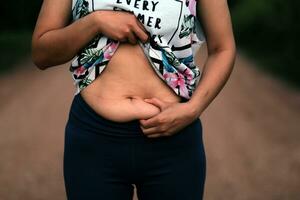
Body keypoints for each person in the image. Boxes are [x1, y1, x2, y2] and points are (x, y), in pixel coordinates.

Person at [31, 0, 236, 199]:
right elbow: (42, 53)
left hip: (174, 139)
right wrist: (96, 22)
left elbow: (223, 48)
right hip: (94, 137)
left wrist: (193, 108)